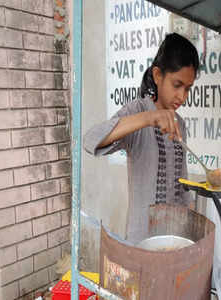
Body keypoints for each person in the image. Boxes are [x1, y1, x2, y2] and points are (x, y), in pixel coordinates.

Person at [84, 33, 200, 243]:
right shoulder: (138, 111)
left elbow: (183, 188)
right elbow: (91, 140)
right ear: (157, 75)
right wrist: (149, 118)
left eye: (188, 89)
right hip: (142, 242)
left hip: (175, 239)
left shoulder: (179, 124)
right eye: (177, 85)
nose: (182, 97)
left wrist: (194, 230)